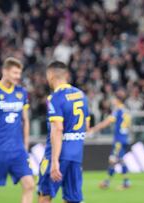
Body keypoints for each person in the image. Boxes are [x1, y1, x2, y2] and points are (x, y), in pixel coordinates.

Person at [0, 57, 35, 203]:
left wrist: (26, 144)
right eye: (15, 73)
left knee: (29, 185)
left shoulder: (21, 92)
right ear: (5, 71)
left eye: (19, 73)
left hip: (17, 150)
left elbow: (26, 120)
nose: (18, 76)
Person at [38, 61, 90, 203]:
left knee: (45, 195)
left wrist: (54, 161)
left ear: (50, 75)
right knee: (72, 199)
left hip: (58, 155)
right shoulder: (81, 95)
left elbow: (58, 129)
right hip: (76, 155)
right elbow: (87, 125)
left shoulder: (55, 98)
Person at [89, 89, 131, 189]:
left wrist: (93, 129)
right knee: (119, 160)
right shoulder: (126, 110)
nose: (112, 101)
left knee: (113, 160)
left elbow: (106, 122)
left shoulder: (118, 111)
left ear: (117, 100)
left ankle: (123, 182)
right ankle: (110, 182)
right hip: (124, 138)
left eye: (113, 99)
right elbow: (128, 125)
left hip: (119, 140)